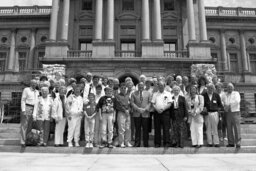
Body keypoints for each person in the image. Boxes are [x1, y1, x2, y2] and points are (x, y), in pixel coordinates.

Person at [151, 81, 172, 148]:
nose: (160, 86)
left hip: (165, 112)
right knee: (157, 128)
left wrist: (163, 109)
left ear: (164, 86)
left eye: (162, 85)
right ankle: (157, 143)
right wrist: (157, 109)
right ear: (158, 86)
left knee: (166, 128)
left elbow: (169, 104)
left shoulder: (168, 93)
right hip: (157, 113)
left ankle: (166, 143)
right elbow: (153, 103)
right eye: (159, 85)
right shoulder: (155, 94)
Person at [131, 82, 151, 147]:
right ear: (137, 86)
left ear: (144, 86)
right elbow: (132, 103)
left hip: (145, 114)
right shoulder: (133, 93)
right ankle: (137, 143)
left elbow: (150, 102)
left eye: (142, 86)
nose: (141, 87)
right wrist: (138, 109)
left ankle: (146, 143)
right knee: (137, 129)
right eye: (139, 86)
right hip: (137, 114)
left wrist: (145, 109)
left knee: (145, 129)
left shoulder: (148, 93)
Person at [20, 79, 39, 147]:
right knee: (24, 125)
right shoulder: (26, 90)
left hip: (34, 109)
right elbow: (23, 100)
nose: (34, 84)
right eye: (33, 83)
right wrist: (23, 110)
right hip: (27, 107)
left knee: (30, 126)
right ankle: (23, 141)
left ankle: (28, 140)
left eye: (35, 83)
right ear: (30, 83)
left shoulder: (37, 92)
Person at [223, 83, 241, 148]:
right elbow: (223, 102)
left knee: (237, 127)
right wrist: (224, 106)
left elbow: (237, 101)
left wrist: (229, 105)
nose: (229, 88)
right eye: (228, 87)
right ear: (226, 88)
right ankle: (231, 143)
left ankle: (238, 142)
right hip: (228, 112)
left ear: (233, 88)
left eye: (230, 87)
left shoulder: (236, 93)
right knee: (229, 128)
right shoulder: (225, 94)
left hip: (235, 112)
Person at [116, 83, 132, 148]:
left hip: (128, 113)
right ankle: (121, 142)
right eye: (122, 88)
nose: (123, 89)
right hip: (121, 113)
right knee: (121, 128)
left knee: (128, 128)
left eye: (124, 88)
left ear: (126, 88)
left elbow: (131, 104)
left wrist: (129, 110)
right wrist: (125, 110)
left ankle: (127, 142)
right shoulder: (117, 96)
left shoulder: (128, 95)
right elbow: (118, 105)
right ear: (120, 88)